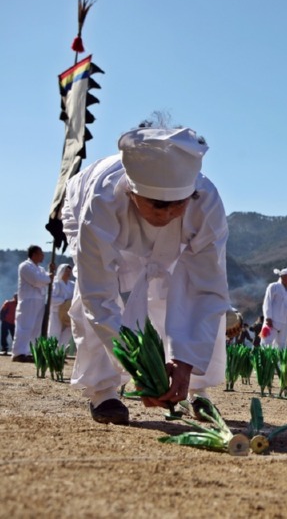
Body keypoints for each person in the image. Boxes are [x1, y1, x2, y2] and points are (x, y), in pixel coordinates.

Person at [62, 126, 230, 425]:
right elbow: (97, 293)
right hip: (82, 210)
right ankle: (104, 389)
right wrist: (141, 366)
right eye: (157, 205)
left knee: (180, 290)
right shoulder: (101, 204)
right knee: (93, 293)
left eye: (178, 204)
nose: (167, 216)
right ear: (131, 192)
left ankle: (194, 387)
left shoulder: (207, 204)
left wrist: (185, 359)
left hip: (171, 247)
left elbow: (206, 285)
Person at [12, 245, 53, 362]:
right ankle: (18, 353)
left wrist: (47, 276)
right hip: (28, 300)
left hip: (39, 300)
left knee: (35, 328)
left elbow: (44, 279)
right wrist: (48, 278)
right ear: (34, 254)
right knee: (25, 326)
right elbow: (36, 280)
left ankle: (29, 352)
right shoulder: (25, 266)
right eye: (41, 253)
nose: (43, 255)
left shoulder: (40, 269)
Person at [261, 268, 287, 349]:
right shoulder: (273, 286)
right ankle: (263, 360)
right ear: (282, 277)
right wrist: (268, 317)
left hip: (285, 322)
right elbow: (267, 302)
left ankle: (278, 361)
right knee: (266, 342)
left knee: (282, 345)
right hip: (272, 321)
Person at [48, 264, 75, 349]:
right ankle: (52, 354)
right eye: (66, 271)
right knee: (54, 333)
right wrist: (64, 301)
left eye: (69, 271)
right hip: (56, 312)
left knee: (69, 332)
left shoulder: (72, 284)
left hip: (68, 313)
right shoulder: (56, 284)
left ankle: (60, 352)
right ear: (61, 271)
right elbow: (51, 298)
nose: (68, 273)